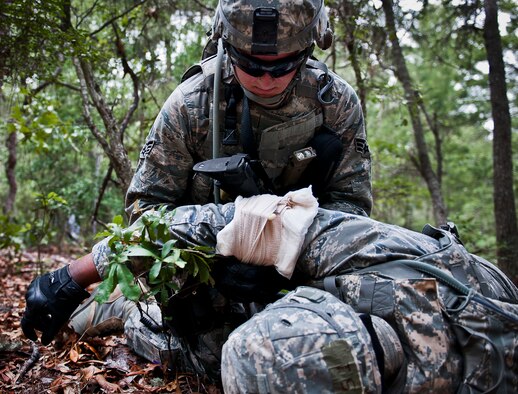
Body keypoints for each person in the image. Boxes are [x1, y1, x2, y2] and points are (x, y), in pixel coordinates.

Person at [21, 192, 518, 392]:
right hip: (263, 292)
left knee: (207, 351)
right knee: (184, 336)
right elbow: (225, 222)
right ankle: (125, 304)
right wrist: (70, 277)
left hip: (287, 310)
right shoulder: (386, 258)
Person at [125, 0, 372, 223]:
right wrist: (226, 228)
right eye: (250, 65)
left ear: (306, 52)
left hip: (304, 256)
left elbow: (353, 208)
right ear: (226, 46)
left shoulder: (336, 103)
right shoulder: (191, 104)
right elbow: (144, 212)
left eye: (282, 67)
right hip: (206, 259)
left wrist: (290, 235)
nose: (265, 81)